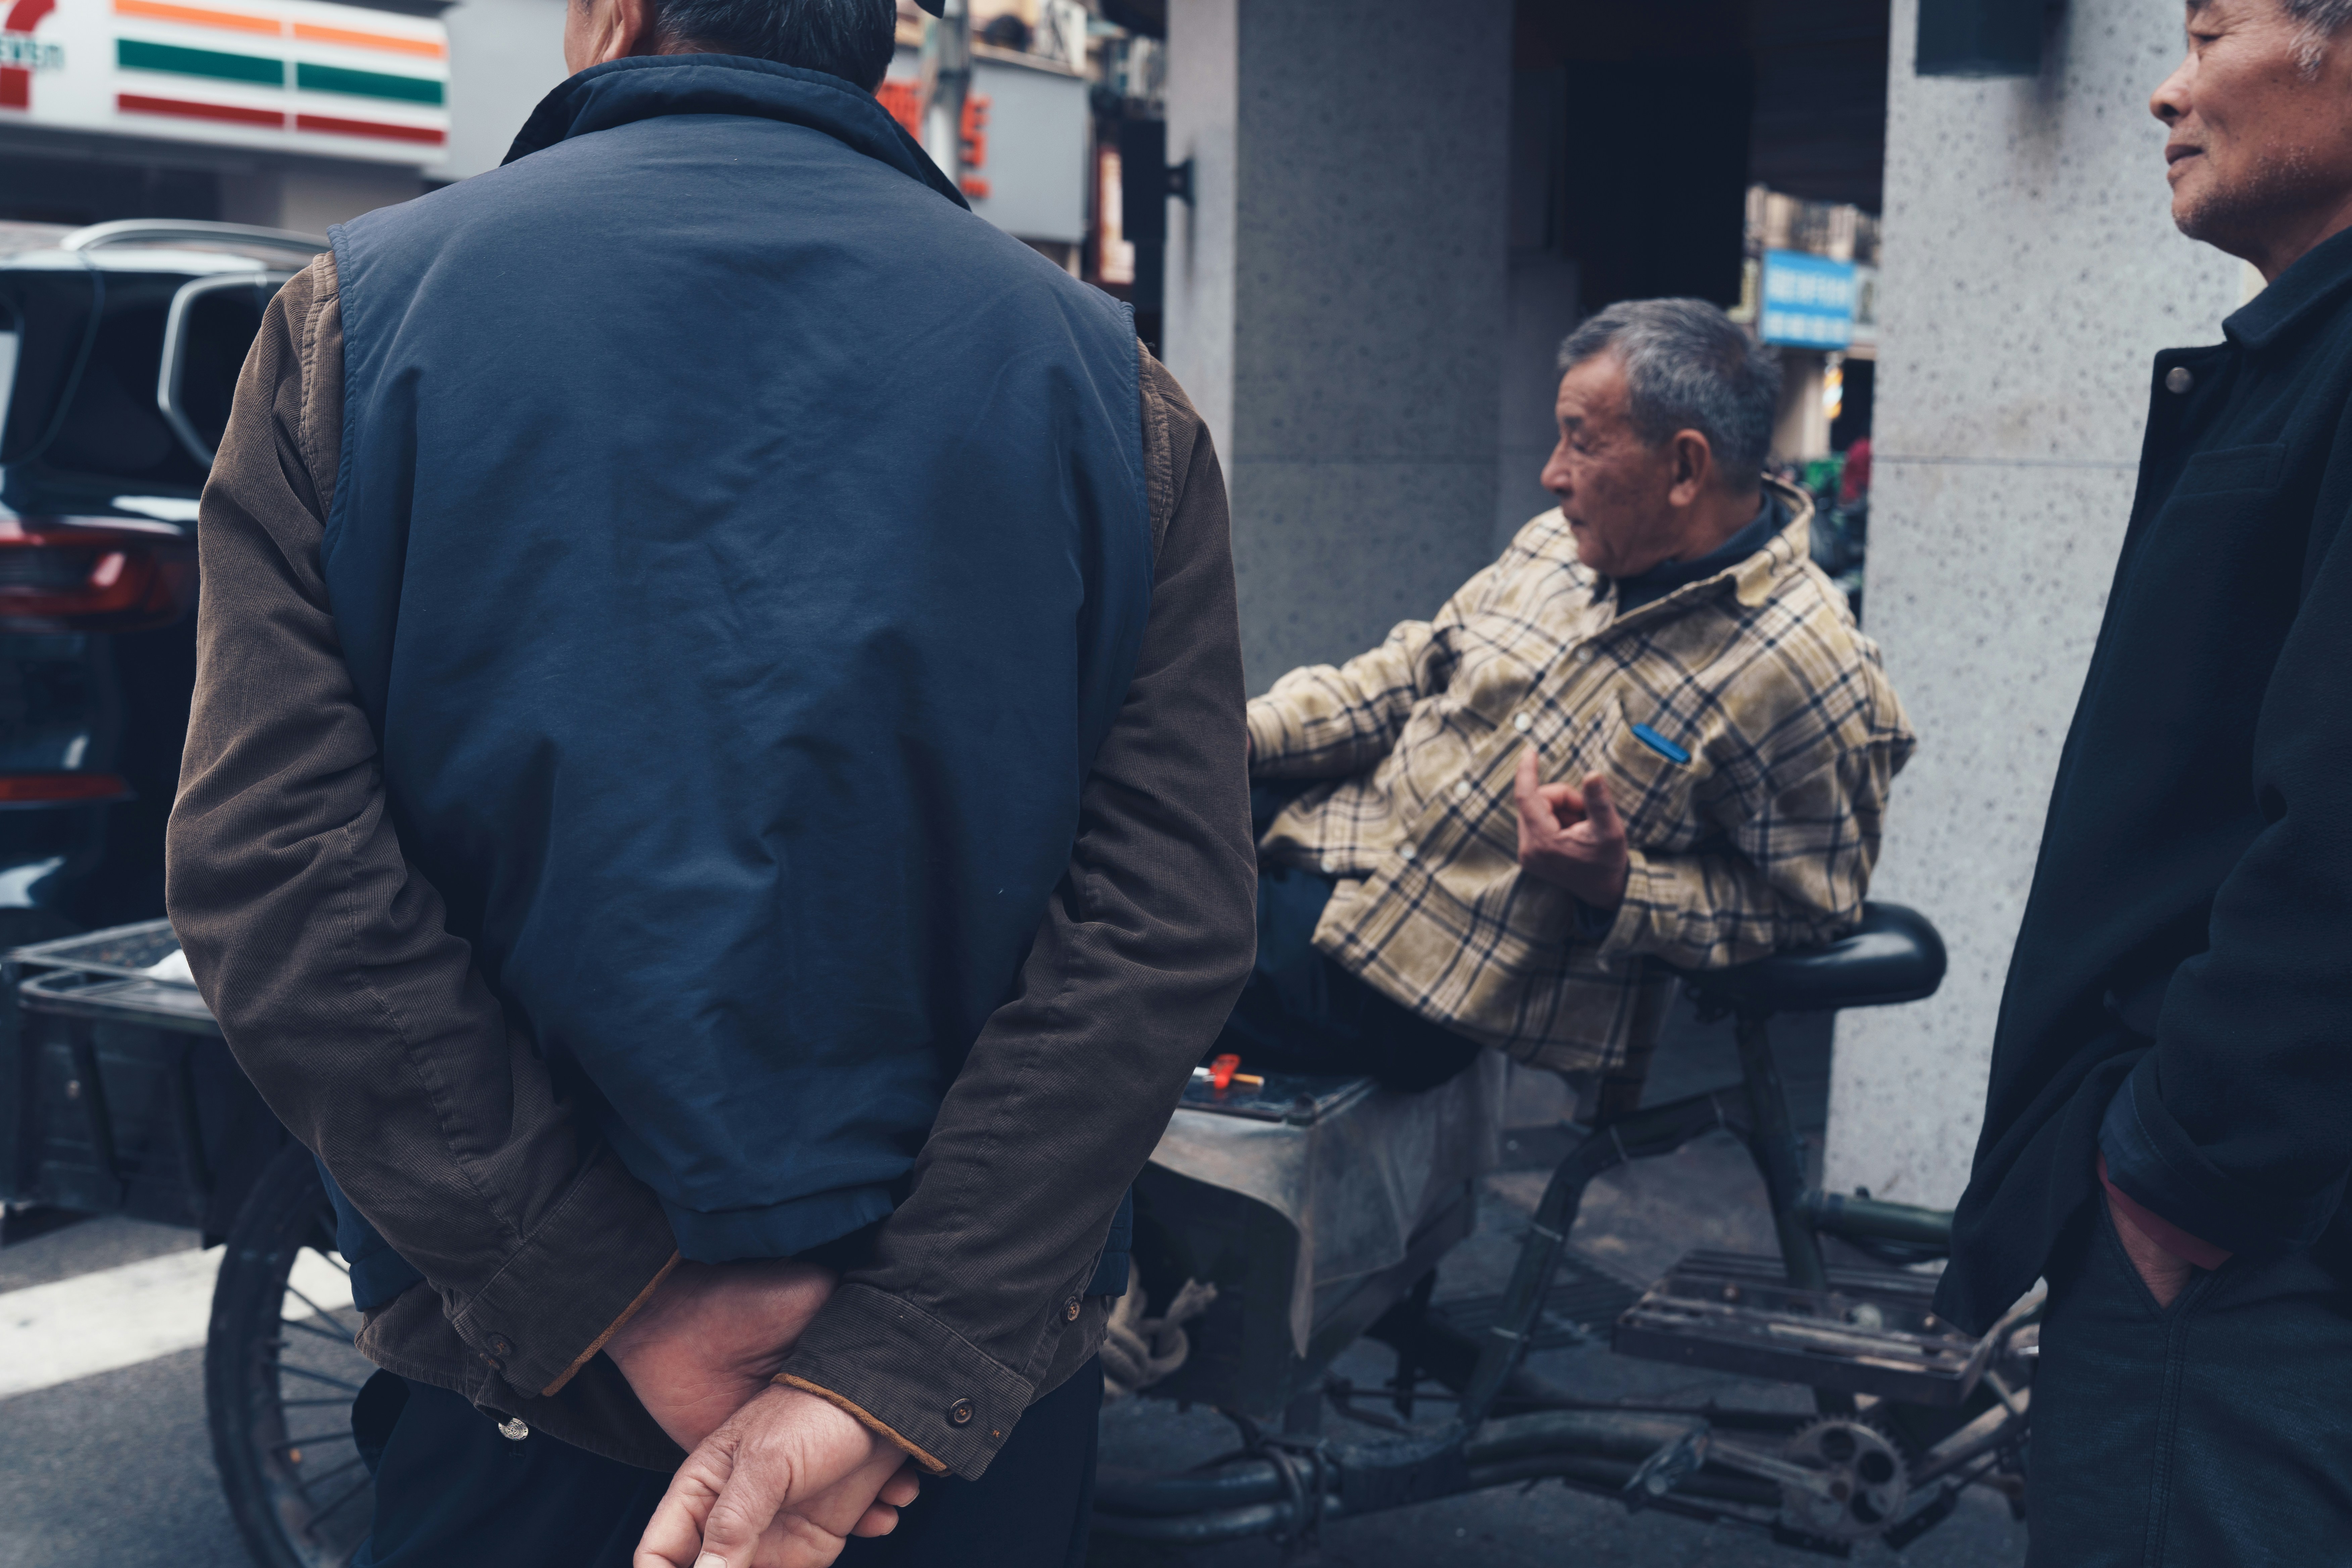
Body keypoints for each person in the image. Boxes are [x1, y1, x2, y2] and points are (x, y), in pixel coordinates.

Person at [162, 0, 1258, 1564]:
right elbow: (1161, 917)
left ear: (611, 13)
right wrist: (894, 1354)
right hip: (943, 1429)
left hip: (523, 1389)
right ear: (874, 44)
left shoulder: (357, 319)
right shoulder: (1107, 382)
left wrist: (615, 1286)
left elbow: (271, 865)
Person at [1936, 2, 2352, 1560]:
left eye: (2213, 28)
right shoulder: (2303, 358)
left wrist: (2178, 1176)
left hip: (2253, 1256)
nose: (2165, 90)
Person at [1235, 299, 1913, 1114]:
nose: (1552, 472)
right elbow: (1407, 673)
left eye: (1580, 440)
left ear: (1686, 469)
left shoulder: (1808, 668)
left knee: (1095, 939)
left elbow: (1811, 906)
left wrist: (1621, 884)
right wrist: (1230, 740)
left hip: (1407, 968)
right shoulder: (1560, 541)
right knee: (1101, 810)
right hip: (1316, 832)